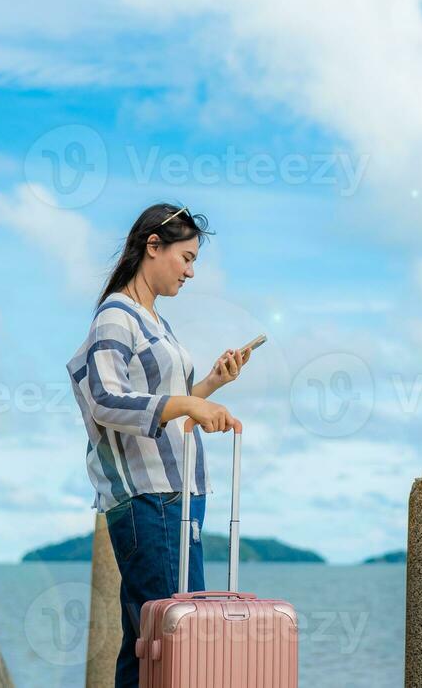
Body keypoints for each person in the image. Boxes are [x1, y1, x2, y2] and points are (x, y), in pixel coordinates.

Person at [67, 203, 252, 688]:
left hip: (175, 497)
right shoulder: (117, 317)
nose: (191, 272)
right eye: (186, 258)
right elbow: (106, 399)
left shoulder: (155, 321)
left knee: (146, 645)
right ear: (153, 246)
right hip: (152, 500)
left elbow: (166, 408)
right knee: (176, 644)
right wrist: (189, 406)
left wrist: (210, 383)